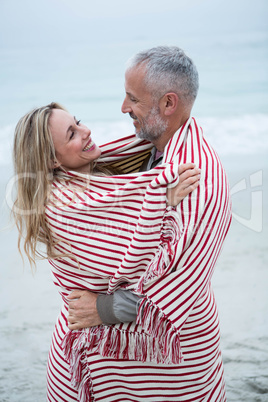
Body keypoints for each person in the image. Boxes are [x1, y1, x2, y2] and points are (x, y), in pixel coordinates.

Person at [65, 45, 232, 401]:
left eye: (132, 99)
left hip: (173, 366)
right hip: (127, 365)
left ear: (168, 104)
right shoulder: (148, 150)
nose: (123, 108)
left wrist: (102, 307)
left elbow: (179, 281)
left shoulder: (195, 176)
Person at [13, 102, 201, 401]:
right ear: (51, 160)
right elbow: (135, 260)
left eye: (79, 122)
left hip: (117, 347)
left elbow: (135, 184)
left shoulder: (101, 176)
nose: (86, 131)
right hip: (89, 353)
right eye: (72, 134)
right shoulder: (64, 206)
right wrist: (163, 201)